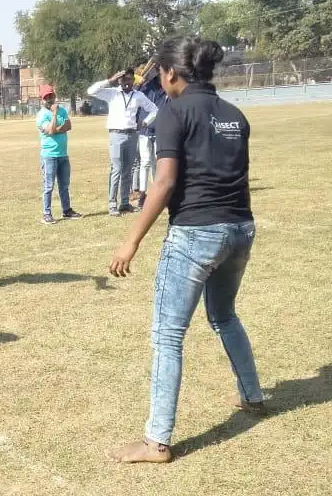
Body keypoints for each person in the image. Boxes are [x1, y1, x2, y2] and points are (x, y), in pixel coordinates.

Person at [105, 37, 265, 465]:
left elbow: (164, 182)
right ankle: (252, 395)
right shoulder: (235, 115)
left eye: (159, 73)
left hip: (196, 233)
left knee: (168, 335)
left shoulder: (173, 113)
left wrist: (131, 240)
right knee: (225, 316)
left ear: (171, 73)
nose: (159, 80)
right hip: (240, 229)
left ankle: (156, 441)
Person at [87, 68, 159, 216]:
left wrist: (145, 122)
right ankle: (112, 204)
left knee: (128, 170)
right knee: (116, 169)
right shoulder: (112, 93)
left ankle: (125, 203)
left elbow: (154, 109)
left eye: (130, 79)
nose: (127, 82)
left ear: (133, 80)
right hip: (116, 134)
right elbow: (91, 91)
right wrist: (109, 80)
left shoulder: (138, 95)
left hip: (132, 135)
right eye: (124, 79)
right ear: (119, 80)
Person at [35, 85, 81, 225]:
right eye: (46, 97)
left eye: (51, 96)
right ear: (42, 99)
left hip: (63, 154)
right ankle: (46, 214)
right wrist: (54, 115)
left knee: (64, 185)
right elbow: (50, 130)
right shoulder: (42, 115)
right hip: (49, 155)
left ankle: (66, 210)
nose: (50, 99)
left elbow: (68, 126)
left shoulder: (62, 110)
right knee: (48, 186)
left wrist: (57, 128)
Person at [131, 66, 170, 209]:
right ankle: (143, 193)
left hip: (160, 130)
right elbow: (133, 91)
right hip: (145, 130)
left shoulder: (167, 88)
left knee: (157, 163)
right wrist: (140, 81)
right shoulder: (145, 87)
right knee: (145, 162)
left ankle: (156, 193)